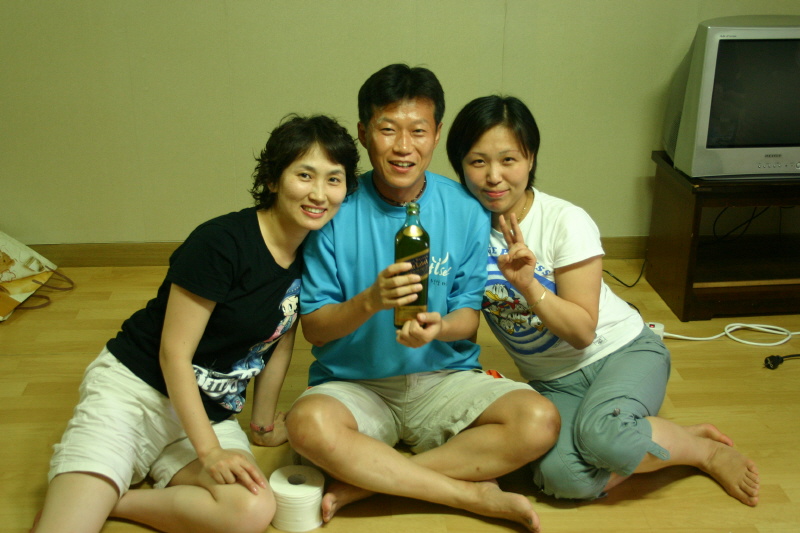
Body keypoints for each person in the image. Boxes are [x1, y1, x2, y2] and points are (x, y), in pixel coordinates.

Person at [32, 114, 360, 533]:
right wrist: (210, 453)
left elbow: (279, 340)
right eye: (305, 175)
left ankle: (114, 499)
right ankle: (89, 496)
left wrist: (261, 427)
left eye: (334, 179)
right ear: (273, 180)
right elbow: (174, 353)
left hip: (208, 413)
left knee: (251, 509)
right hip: (136, 393)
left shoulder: (311, 252)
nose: (319, 193)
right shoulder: (221, 242)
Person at [445, 94, 761, 506]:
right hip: (553, 382)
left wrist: (529, 286)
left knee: (603, 436)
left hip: (621, 353)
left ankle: (703, 450)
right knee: (563, 478)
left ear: (530, 158)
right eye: (477, 161)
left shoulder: (564, 220)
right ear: (460, 165)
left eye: (509, 160)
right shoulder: (464, 231)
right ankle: (649, 433)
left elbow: (581, 332)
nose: (493, 177)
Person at [285, 64, 560, 533]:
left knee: (539, 420)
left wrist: (440, 327)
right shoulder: (333, 208)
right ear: (363, 134)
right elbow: (315, 328)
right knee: (306, 425)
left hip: (443, 379)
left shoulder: (466, 210)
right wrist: (370, 300)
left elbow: (467, 318)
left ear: (436, 134)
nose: (403, 146)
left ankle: (372, 482)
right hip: (357, 384)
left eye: (418, 131)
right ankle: (467, 493)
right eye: (387, 129)